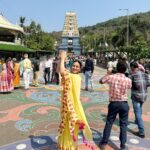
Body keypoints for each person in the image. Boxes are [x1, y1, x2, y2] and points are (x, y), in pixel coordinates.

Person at [57, 50, 93, 150]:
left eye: (77, 67)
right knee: (66, 128)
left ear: (80, 69)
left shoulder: (75, 77)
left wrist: (63, 58)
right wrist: (60, 59)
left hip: (71, 108)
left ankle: (69, 147)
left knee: (70, 128)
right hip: (68, 107)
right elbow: (59, 71)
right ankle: (66, 146)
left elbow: (62, 72)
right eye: (74, 66)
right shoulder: (73, 76)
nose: (75, 68)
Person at [99, 62, 132, 150]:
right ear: (125, 70)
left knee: (109, 122)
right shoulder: (128, 79)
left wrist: (108, 73)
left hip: (113, 103)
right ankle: (122, 146)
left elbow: (101, 81)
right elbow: (129, 87)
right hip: (124, 103)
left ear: (116, 68)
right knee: (123, 124)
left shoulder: (111, 77)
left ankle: (103, 143)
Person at [130, 62, 150, 138]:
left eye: (130, 67)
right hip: (144, 95)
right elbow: (149, 83)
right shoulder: (145, 74)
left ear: (132, 67)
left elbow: (129, 84)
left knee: (137, 112)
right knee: (139, 109)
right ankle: (136, 121)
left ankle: (141, 132)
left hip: (136, 96)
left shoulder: (132, 75)